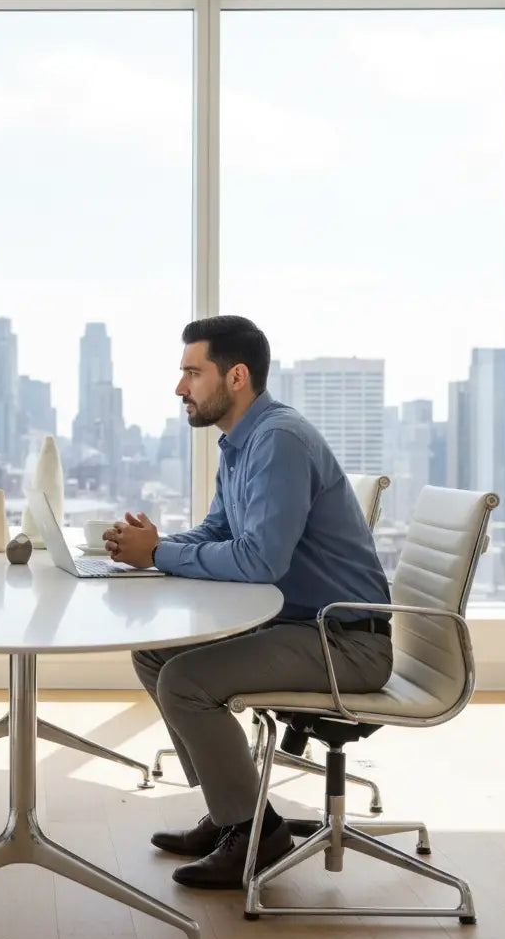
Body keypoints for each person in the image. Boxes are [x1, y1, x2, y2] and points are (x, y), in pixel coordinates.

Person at [103, 315, 392, 889]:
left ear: (236, 377)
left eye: (192, 373)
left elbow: (261, 561)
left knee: (183, 681)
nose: (180, 387)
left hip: (344, 641)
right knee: (155, 653)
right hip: (298, 625)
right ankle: (229, 809)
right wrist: (148, 548)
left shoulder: (279, 441)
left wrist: (159, 553)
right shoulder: (241, 443)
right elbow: (218, 531)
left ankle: (254, 833)